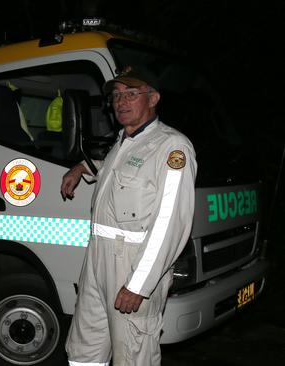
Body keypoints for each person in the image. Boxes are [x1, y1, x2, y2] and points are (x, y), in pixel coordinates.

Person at [61, 66, 197, 365]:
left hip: (132, 262)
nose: (121, 102)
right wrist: (81, 168)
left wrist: (139, 284)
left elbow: (171, 224)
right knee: (84, 348)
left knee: (134, 354)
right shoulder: (123, 140)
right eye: (117, 95)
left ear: (154, 98)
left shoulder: (171, 147)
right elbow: (118, 170)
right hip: (97, 258)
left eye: (132, 94)